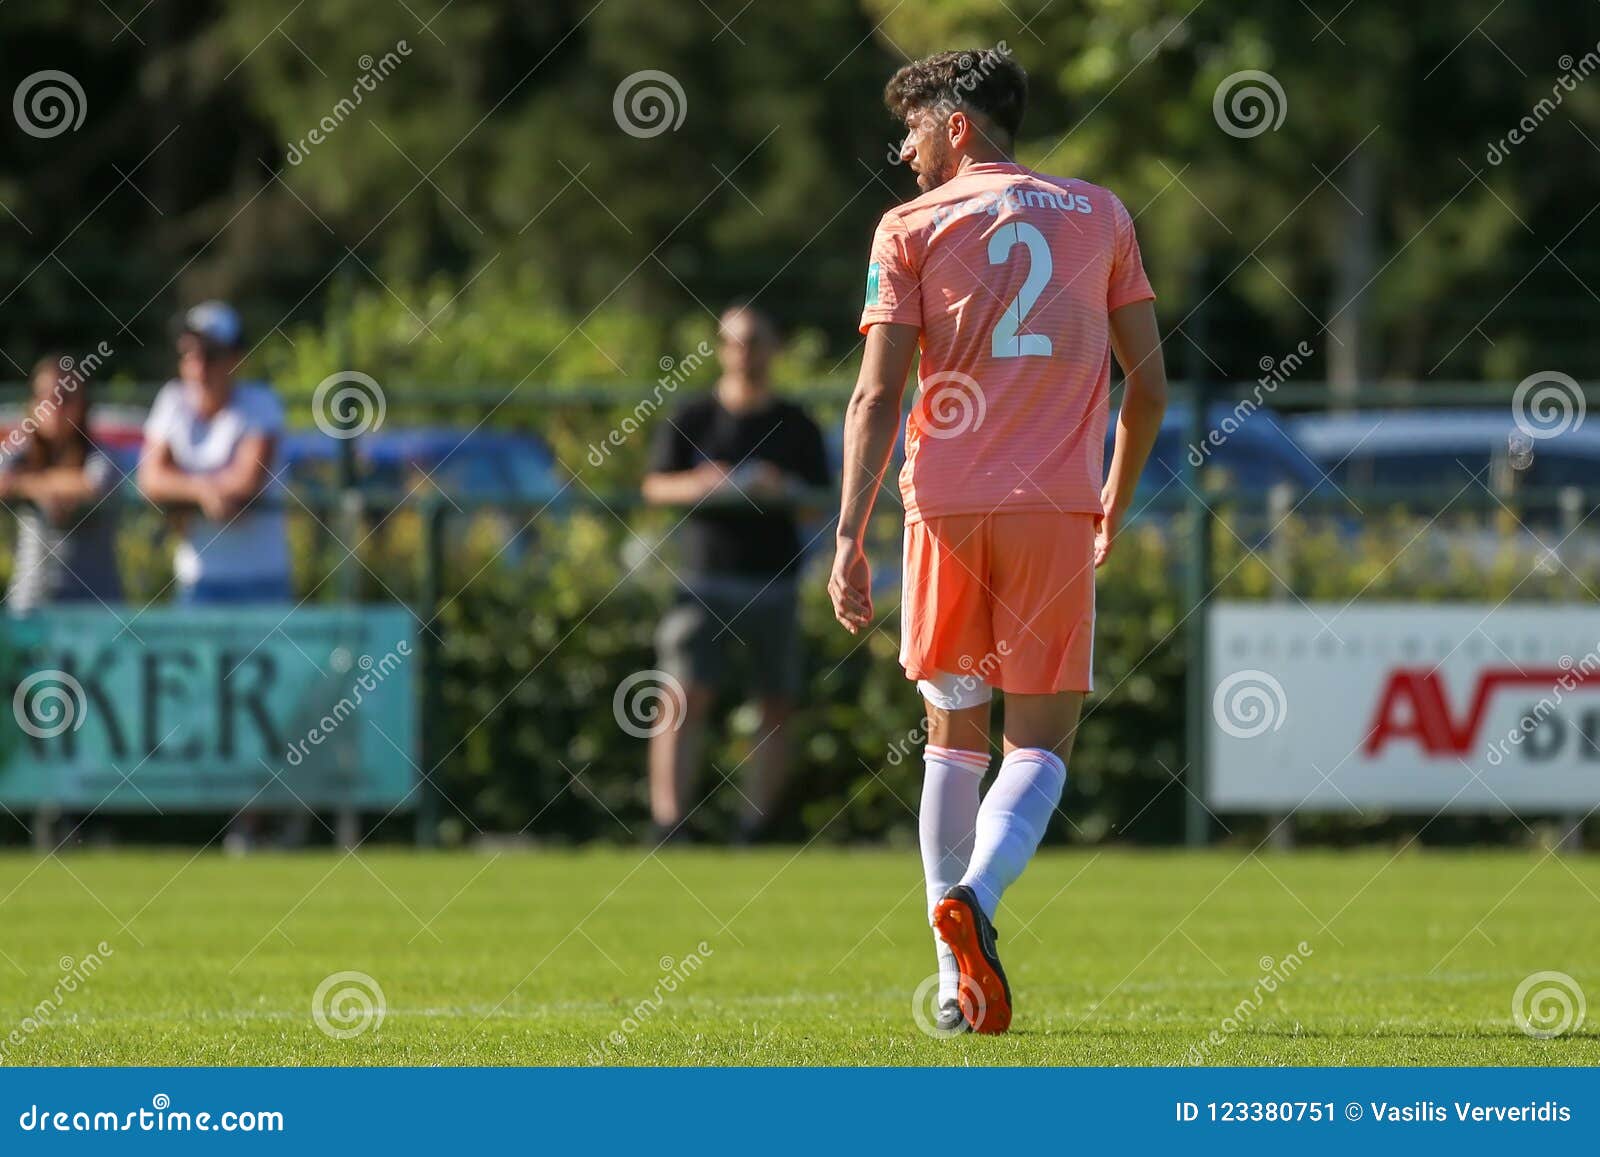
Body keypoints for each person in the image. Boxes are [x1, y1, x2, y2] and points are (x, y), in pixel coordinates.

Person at [829, 50, 1169, 1034]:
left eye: (914, 127)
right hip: (1054, 508)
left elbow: (877, 393)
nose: (904, 150)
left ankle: (949, 978)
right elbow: (1147, 384)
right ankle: (976, 895)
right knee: (1043, 742)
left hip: (940, 507)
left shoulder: (910, 228)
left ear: (959, 125)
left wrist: (848, 534)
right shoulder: (1100, 214)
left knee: (952, 738)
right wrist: (1112, 493)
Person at [642, 304, 830, 845]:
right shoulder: (693, 416)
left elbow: (820, 502)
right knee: (682, 696)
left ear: (774, 349)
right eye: (736, 341)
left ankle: (756, 827)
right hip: (703, 581)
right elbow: (655, 486)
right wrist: (703, 483)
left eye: (756, 341)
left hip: (775, 580)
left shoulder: (796, 424)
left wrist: (781, 489)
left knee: (776, 702)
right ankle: (668, 824)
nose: (746, 353)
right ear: (721, 348)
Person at [138, 301, 292, 604]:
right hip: (197, 581)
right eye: (189, 354)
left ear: (236, 359)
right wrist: (205, 491)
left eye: (210, 355)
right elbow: (150, 478)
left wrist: (182, 488)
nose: (198, 367)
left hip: (263, 581)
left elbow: (247, 481)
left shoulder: (262, 403)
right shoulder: (171, 400)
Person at [0, 355, 123, 614]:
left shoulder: (99, 453)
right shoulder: (20, 453)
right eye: (44, 396)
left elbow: (94, 484)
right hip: (30, 607)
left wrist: (29, 484)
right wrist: (47, 487)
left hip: (96, 611)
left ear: (83, 406)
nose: (53, 407)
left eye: (65, 398)